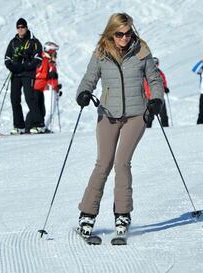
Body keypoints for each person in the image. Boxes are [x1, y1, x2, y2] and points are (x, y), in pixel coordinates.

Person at [75, 13, 164, 239]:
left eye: (128, 33)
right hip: (108, 114)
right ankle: (87, 213)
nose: (124, 38)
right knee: (103, 163)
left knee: (122, 162)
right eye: (119, 34)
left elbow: (154, 80)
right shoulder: (101, 53)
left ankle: (122, 214)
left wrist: (156, 100)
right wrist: (84, 93)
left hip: (136, 115)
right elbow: (89, 78)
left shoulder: (141, 51)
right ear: (111, 33)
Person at [4, 18, 44, 134]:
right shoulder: (13, 42)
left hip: (28, 74)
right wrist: (11, 66)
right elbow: (7, 57)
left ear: (26, 27)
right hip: (16, 74)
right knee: (14, 99)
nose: (20, 29)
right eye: (18, 27)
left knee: (30, 98)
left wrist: (26, 65)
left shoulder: (34, 41)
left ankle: (39, 124)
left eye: (23, 27)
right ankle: (19, 126)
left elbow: (38, 58)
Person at [34, 41, 62, 133]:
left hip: (51, 88)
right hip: (48, 88)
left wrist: (57, 87)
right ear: (50, 51)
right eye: (54, 51)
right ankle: (41, 127)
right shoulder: (45, 61)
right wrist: (54, 85)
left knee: (49, 110)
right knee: (49, 110)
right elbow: (45, 75)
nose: (56, 54)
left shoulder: (51, 61)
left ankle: (43, 127)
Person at [144, 57, 170, 127]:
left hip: (159, 97)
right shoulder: (147, 73)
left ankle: (166, 128)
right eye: (154, 63)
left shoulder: (160, 73)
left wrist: (165, 88)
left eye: (157, 64)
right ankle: (147, 129)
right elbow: (145, 84)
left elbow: (163, 82)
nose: (155, 65)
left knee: (163, 115)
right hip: (149, 97)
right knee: (149, 116)